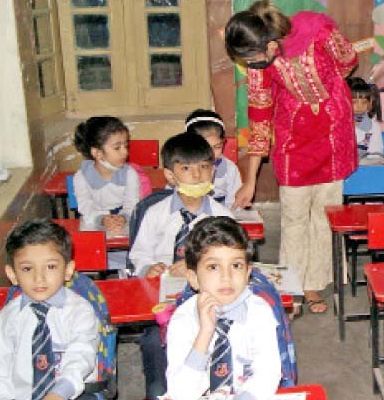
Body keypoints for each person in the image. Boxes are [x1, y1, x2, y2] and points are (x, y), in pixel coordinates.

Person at [225, 0, 358, 313]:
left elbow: (348, 61)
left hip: (332, 135)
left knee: (325, 217)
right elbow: (259, 117)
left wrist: (324, 93)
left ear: (271, 44)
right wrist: (250, 180)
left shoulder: (319, 29)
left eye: (254, 58)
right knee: (294, 218)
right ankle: (291, 286)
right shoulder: (262, 64)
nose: (252, 66)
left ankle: (314, 286)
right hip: (293, 143)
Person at [128, 132, 233, 400]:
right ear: (170, 175)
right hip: (164, 301)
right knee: (154, 342)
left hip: (212, 299)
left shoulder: (222, 217)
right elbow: (138, 255)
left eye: (204, 167)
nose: (197, 175)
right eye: (186, 168)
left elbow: (233, 261)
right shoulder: (155, 213)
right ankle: (159, 391)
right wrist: (148, 268)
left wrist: (195, 266)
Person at [166, 216, 281, 400]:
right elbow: (180, 393)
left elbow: (268, 374)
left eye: (236, 265)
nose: (226, 276)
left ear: (247, 273)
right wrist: (205, 333)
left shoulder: (259, 312)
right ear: (193, 277)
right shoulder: (183, 319)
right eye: (213, 267)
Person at [0, 219, 99, 400]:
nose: (39, 278)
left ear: (68, 270)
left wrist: (59, 393)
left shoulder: (79, 311)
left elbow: (81, 355)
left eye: (51, 267)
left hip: (72, 393)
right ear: (13, 274)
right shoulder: (8, 316)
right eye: (27, 268)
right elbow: (2, 368)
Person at [73, 116, 140, 270]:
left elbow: (133, 204)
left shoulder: (130, 173)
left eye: (126, 145)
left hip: (124, 221)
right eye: (117, 147)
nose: (125, 152)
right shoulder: (81, 176)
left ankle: (127, 270)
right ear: (97, 153)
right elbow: (85, 207)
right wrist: (102, 219)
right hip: (94, 222)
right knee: (91, 257)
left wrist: (123, 218)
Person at [185, 109, 242, 208]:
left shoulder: (229, 169)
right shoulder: (182, 167)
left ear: (223, 142)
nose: (210, 154)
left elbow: (233, 202)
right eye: (204, 148)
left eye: (217, 147)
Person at [346, 77, 383, 160]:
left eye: (364, 102)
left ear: (370, 103)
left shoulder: (373, 126)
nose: (360, 106)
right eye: (354, 102)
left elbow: (377, 151)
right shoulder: (337, 124)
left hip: (366, 167)